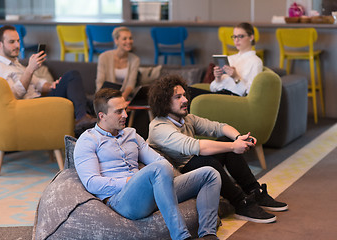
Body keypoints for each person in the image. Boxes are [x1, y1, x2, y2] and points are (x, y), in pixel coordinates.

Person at [73, 88, 222, 240]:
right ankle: (181, 237)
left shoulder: (131, 134)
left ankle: (208, 235)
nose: (125, 115)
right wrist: (128, 181)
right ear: (102, 116)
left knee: (210, 174)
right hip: (121, 200)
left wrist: (163, 172)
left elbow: (158, 160)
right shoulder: (88, 140)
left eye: (125, 109)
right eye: (119, 112)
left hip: (152, 191)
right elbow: (92, 183)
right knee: (160, 168)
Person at [147, 75, 288, 224]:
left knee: (225, 143)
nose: (185, 100)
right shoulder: (159, 128)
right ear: (164, 102)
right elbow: (196, 147)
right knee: (208, 161)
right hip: (178, 177)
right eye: (178, 97)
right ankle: (241, 203)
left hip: (193, 163)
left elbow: (218, 127)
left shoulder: (186, 119)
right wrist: (234, 146)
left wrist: (238, 138)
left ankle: (254, 191)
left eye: (184, 95)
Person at [0, 25, 96, 129]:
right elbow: (13, 96)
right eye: (11, 42)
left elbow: (37, 82)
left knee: (81, 95)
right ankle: (83, 118)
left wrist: (52, 86)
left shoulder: (15, 63)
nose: (17, 45)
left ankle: (91, 118)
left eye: (18, 41)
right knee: (72, 75)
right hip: (31, 107)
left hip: (39, 100)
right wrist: (30, 69)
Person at [210, 22, 263, 96]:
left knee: (192, 96)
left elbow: (250, 93)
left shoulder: (255, 62)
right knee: (189, 91)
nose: (236, 40)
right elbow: (213, 88)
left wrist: (236, 77)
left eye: (240, 36)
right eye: (235, 37)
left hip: (232, 98)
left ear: (251, 37)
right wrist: (217, 79)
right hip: (219, 94)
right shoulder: (230, 58)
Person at [95, 26, 140, 100]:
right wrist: (105, 99)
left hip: (123, 96)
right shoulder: (104, 57)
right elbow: (100, 81)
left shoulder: (135, 59)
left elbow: (131, 84)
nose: (128, 41)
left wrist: (122, 98)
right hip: (105, 96)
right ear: (116, 41)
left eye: (130, 38)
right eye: (124, 39)